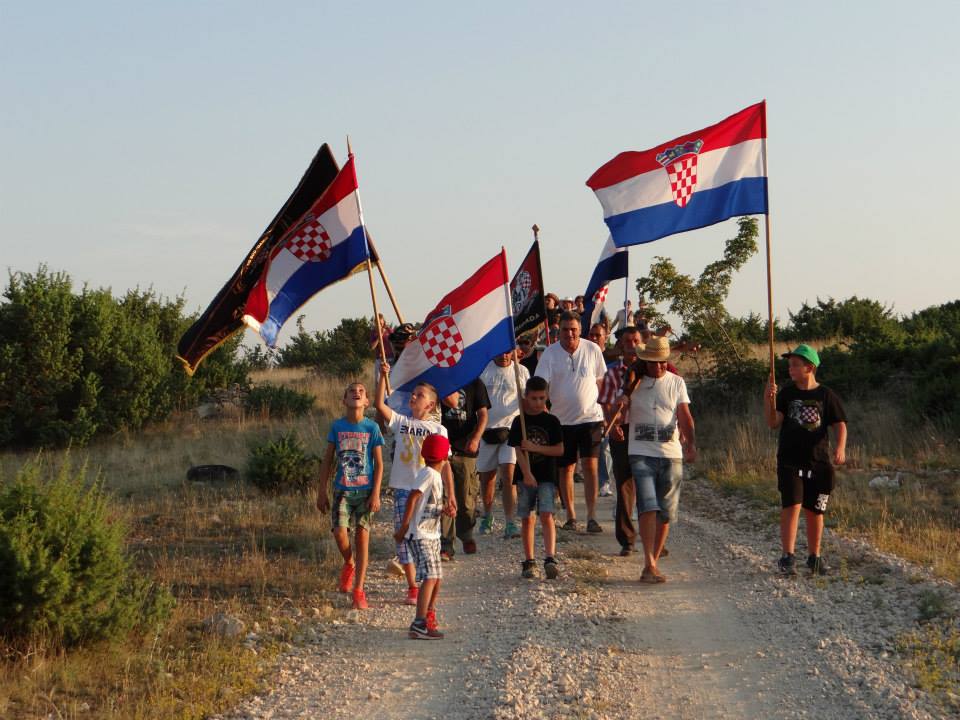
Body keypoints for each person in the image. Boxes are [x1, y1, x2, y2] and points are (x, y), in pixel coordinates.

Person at [375, 361, 455, 605]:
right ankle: (412, 586)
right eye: (413, 394)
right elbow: (379, 405)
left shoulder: (439, 430)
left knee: (427, 536)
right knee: (404, 535)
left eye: (419, 395)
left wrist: (451, 494)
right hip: (402, 488)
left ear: (430, 404)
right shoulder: (401, 422)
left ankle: (427, 578)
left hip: (430, 491)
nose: (414, 397)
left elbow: (446, 464)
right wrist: (382, 378)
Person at [765, 344, 847, 576]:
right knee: (792, 505)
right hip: (790, 460)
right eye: (789, 365)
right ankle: (788, 557)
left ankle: (814, 557)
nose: (790, 369)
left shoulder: (826, 395)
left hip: (818, 462)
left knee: (815, 511)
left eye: (795, 365)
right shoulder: (787, 393)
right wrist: (767, 398)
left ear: (809, 367)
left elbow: (840, 424)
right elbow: (773, 422)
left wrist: (840, 448)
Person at [619, 336, 696, 583]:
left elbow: (685, 415)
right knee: (648, 505)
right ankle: (649, 564)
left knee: (666, 511)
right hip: (641, 452)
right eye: (654, 362)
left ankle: (652, 557)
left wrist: (691, 444)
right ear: (645, 361)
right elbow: (617, 414)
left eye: (663, 362)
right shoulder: (633, 383)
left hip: (671, 454)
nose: (659, 366)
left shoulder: (677, 383)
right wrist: (620, 408)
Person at [534, 311, 608, 533]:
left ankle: (592, 516)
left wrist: (605, 410)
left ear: (580, 330)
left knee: (591, 465)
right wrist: (542, 406)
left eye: (573, 329)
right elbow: (540, 383)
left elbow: (601, 382)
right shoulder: (550, 353)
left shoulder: (592, 349)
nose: (569, 334)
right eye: (565, 329)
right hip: (561, 421)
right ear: (560, 331)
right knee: (566, 469)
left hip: (591, 418)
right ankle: (571, 516)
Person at [316, 382, 385, 610]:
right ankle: (349, 562)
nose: (357, 393)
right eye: (352, 391)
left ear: (367, 402)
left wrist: (376, 493)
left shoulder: (372, 428)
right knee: (339, 533)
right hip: (342, 489)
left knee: (362, 537)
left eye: (361, 391)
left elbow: (379, 464)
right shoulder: (337, 427)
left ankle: (359, 589)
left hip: (365, 491)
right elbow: (327, 460)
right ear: (344, 400)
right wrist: (321, 490)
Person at [395, 433, 452, 639]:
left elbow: (426, 504)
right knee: (430, 576)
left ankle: (428, 615)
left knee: (437, 578)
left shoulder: (432, 475)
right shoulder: (428, 474)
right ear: (445, 457)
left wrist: (444, 509)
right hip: (420, 535)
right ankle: (419, 623)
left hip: (432, 535)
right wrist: (404, 527)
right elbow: (414, 497)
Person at [509, 376, 564, 579]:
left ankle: (550, 557)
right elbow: (518, 450)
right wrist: (527, 473)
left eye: (542, 398)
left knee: (547, 515)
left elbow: (559, 449)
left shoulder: (552, 421)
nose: (538, 403)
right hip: (526, 477)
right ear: (526, 397)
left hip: (547, 476)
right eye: (534, 398)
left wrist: (536, 448)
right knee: (527, 518)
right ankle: (529, 559)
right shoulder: (519, 421)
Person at [599, 327, 643, 556]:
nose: (632, 344)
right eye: (628, 341)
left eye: (636, 340)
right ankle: (627, 539)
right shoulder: (613, 374)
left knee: (648, 485)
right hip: (622, 431)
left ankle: (653, 537)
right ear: (621, 345)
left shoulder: (652, 371)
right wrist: (611, 425)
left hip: (646, 431)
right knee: (625, 483)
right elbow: (605, 403)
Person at [477, 351, 528, 539]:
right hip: (487, 431)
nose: (504, 356)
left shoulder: (521, 371)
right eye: (500, 352)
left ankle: (510, 521)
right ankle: (488, 515)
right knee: (487, 478)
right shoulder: (484, 371)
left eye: (508, 352)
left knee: (508, 475)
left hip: (511, 430)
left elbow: (527, 399)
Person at [440, 379, 490, 559]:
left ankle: (466, 533)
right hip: (442, 447)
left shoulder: (475, 382)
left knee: (466, 500)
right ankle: (446, 543)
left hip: (466, 448)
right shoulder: (438, 380)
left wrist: (476, 438)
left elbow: (483, 414)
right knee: (444, 496)